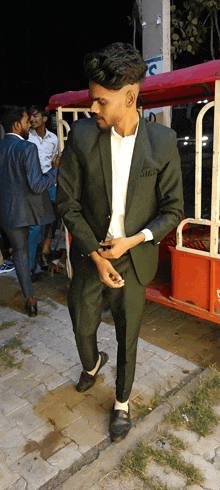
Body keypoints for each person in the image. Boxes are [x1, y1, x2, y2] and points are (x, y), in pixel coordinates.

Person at [56, 42, 184, 443]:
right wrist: (95, 254)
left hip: (133, 257)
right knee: (81, 322)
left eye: (99, 101)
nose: (92, 108)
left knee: (128, 334)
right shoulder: (81, 136)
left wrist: (133, 241)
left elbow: (173, 210)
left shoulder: (161, 142)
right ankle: (92, 363)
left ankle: (123, 401)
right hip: (92, 253)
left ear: (129, 97)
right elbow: (67, 203)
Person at [0, 106, 59, 316]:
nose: (29, 125)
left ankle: (30, 300)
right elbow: (36, 185)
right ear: (17, 125)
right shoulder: (27, 148)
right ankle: (31, 300)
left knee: (19, 254)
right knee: (25, 251)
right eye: (26, 122)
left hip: (6, 214)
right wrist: (55, 169)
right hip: (26, 211)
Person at [28, 105, 60, 274]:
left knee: (52, 219)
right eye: (30, 117)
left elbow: (55, 160)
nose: (32, 119)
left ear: (45, 118)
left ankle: (44, 254)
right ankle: (30, 267)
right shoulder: (26, 138)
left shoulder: (54, 138)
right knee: (34, 227)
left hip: (50, 185)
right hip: (33, 187)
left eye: (35, 116)